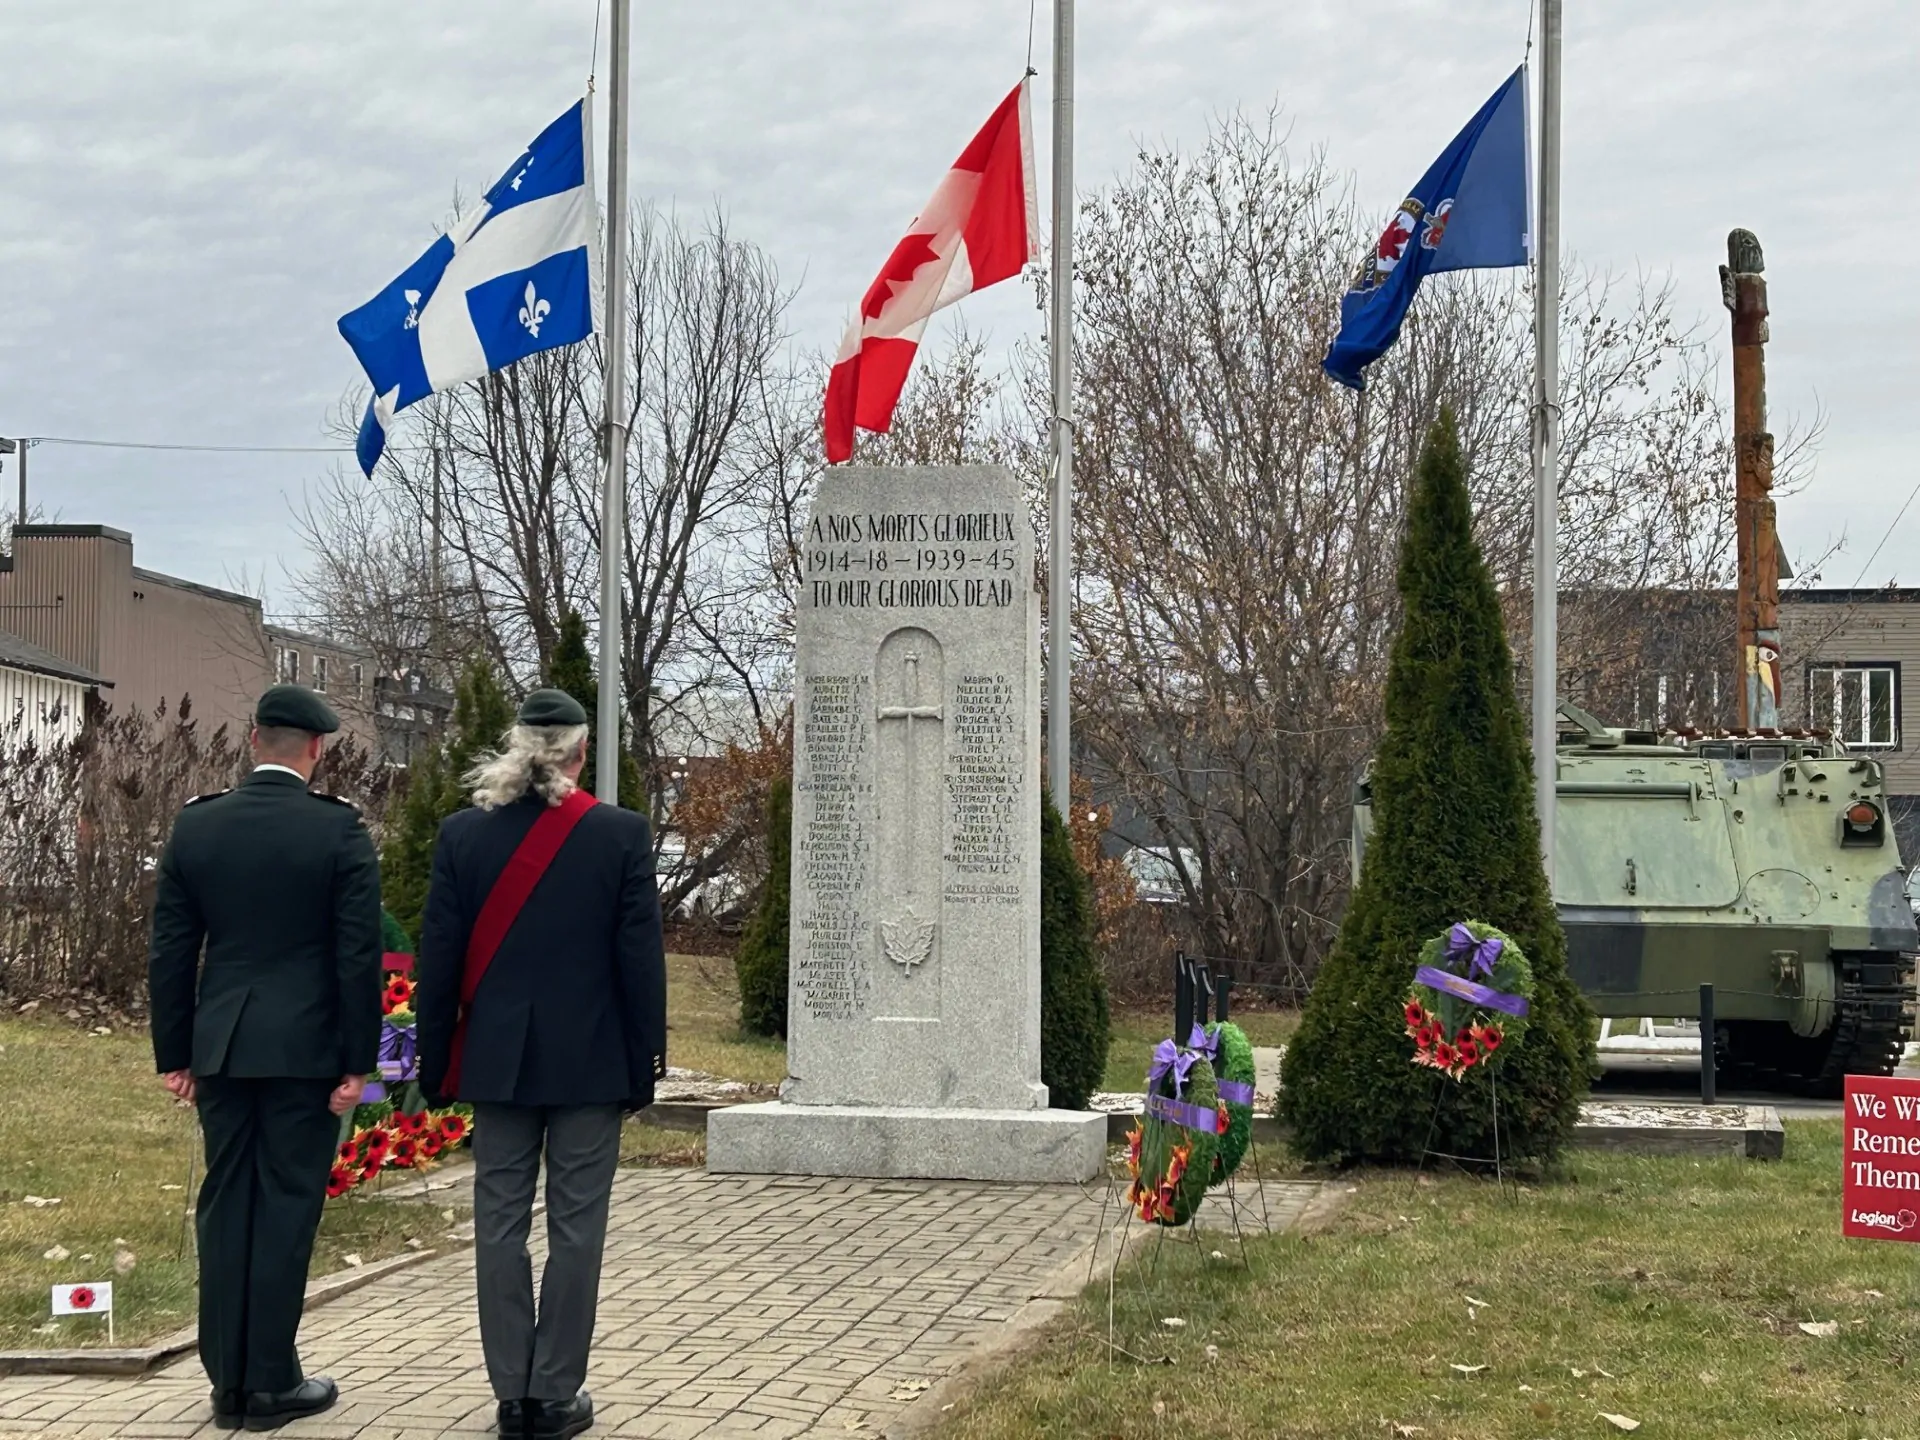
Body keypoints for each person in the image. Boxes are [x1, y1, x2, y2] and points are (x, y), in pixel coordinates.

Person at [417, 689, 666, 1440]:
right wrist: (644, 1060)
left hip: (498, 1064)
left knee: (496, 1225)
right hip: (590, 1061)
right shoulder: (620, 835)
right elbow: (639, 962)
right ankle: (554, 1394)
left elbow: (439, 959)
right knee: (577, 1228)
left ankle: (509, 1392)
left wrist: (435, 1062)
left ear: (518, 745)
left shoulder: (463, 835)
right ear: (582, 752)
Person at [148, 684, 382, 1433]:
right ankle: (271, 1382)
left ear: (252, 741)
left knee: (225, 1205)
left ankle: (227, 1384)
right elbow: (357, 956)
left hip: (222, 1045)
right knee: (285, 1205)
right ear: (316, 750)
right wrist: (358, 1059)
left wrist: (175, 1053)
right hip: (306, 1049)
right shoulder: (338, 831)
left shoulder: (198, 826)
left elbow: (172, 951)